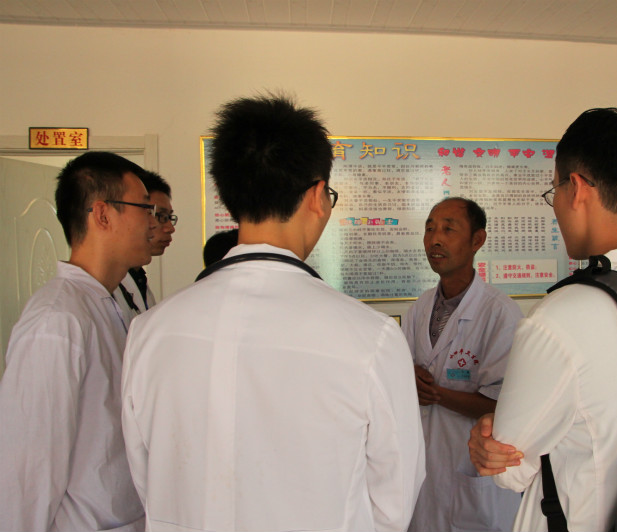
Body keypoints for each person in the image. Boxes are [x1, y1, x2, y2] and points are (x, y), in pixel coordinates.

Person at [120, 93, 425, 532]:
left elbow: (146, 479)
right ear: (318, 196)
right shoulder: (371, 338)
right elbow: (394, 502)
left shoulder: (149, 331)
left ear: (228, 195)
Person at [467, 108, 617, 531]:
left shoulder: (560, 317)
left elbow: (509, 470)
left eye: (555, 190)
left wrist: (491, 435)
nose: (557, 207)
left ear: (577, 188)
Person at [0, 151, 154, 531]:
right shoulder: (57, 320)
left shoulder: (113, 303)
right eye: (144, 208)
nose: (153, 222)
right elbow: (27, 470)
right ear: (102, 214)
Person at [404, 197, 523, 532]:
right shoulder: (420, 308)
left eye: (448, 229)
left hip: (472, 472)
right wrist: (407, 377)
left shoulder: (500, 313)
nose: (435, 240)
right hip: (426, 471)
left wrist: (437, 394)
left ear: (477, 240)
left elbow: (502, 404)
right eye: (429, 229)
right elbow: (402, 373)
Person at [114, 169, 176, 324]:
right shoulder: (107, 285)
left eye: (169, 217)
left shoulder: (139, 279)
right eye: (160, 216)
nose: (170, 228)